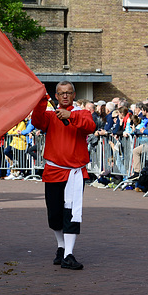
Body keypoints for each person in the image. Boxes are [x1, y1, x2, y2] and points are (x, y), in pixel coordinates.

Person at [31, 81, 96, 270]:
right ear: (57, 96)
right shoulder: (51, 115)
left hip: (75, 173)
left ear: (74, 95)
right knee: (54, 214)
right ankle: (61, 247)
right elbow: (37, 121)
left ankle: (69, 254)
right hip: (53, 171)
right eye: (61, 93)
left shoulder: (82, 113)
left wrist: (71, 116)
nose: (65, 96)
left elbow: (90, 126)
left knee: (72, 214)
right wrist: (41, 100)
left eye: (68, 93)